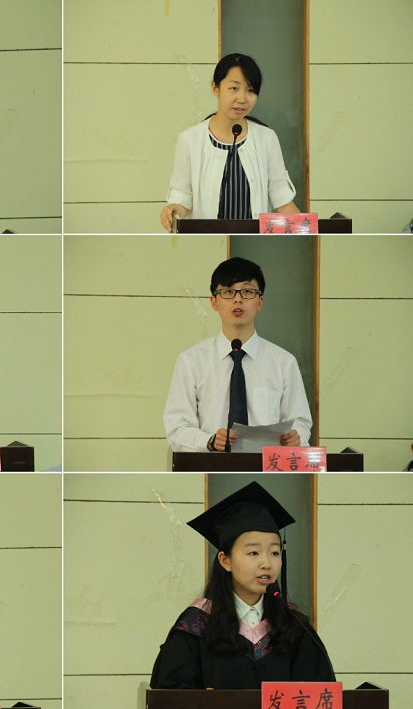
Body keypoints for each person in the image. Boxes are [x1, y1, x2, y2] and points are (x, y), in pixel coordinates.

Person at [150, 481, 335, 690]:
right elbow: (170, 692)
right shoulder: (197, 624)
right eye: (253, 552)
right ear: (225, 560)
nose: (266, 563)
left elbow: (319, 692)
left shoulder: (294, 625)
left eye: (274, 552)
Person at [163, 257, 311, 452]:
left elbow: (300, 422)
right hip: (211, 464)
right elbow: (177, 428)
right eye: (228, 292)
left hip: (267, 465)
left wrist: (296, 436)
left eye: (248, 291)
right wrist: (209, 441)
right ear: (214, 302)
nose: (238, 299)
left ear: (260, 302)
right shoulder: (191, 362)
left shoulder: (283, 362)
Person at [160, 53, 300, 232]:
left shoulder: (266, 138)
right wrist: (173, 211)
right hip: (209, 241)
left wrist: (310, 228)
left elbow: (283, 201)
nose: (242, 98)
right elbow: (182, 200)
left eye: (250, 90)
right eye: (234, 88)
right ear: (215, 88)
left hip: (254, 240)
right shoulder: (189, 140)